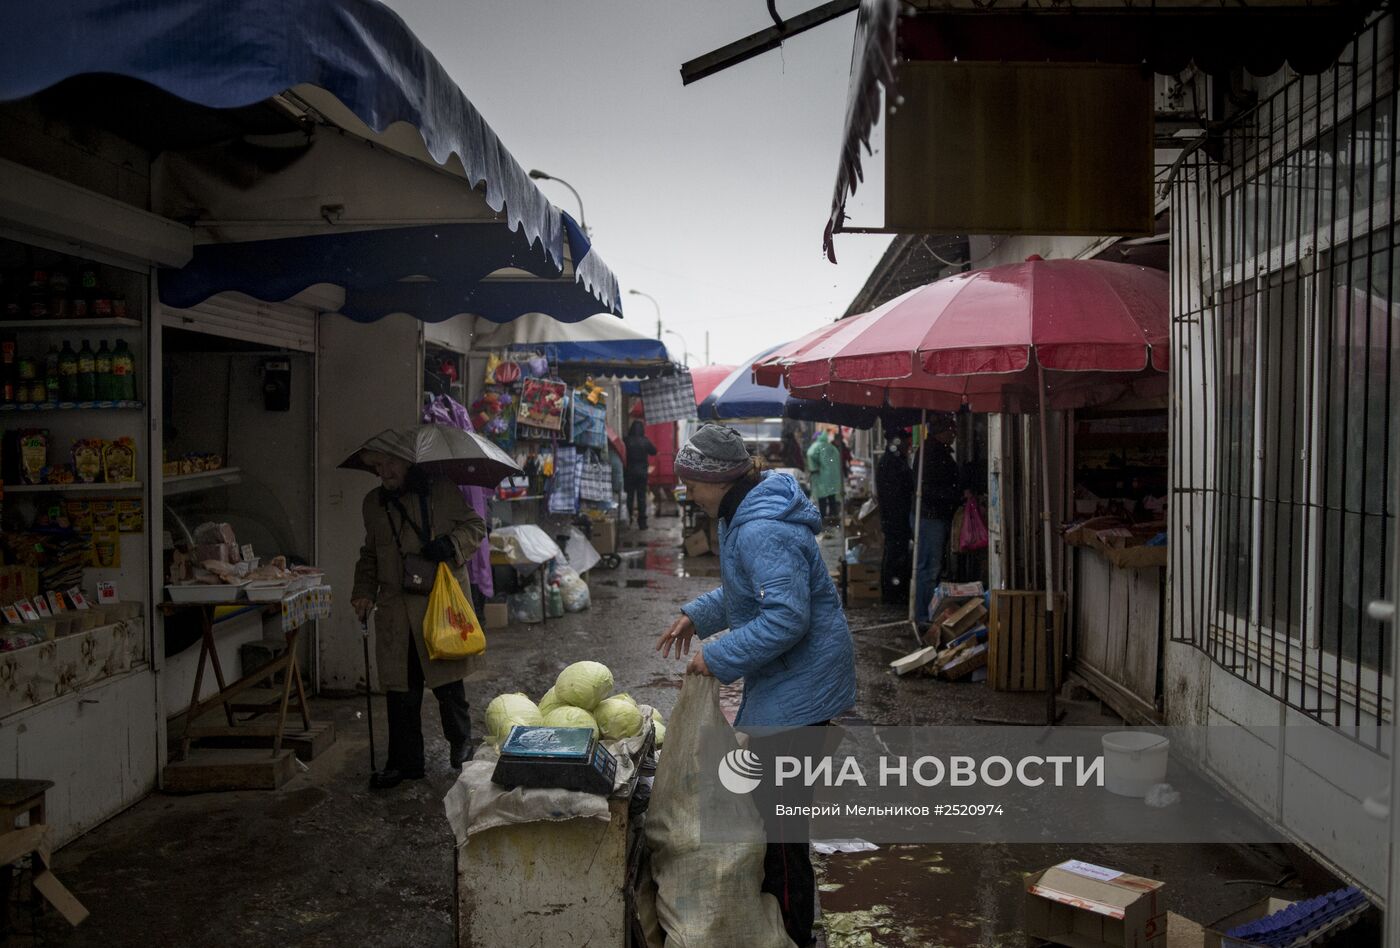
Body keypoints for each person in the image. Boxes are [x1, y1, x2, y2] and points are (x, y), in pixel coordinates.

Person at [655, 424, 856, 948]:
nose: (688, 493)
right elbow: (748, 591)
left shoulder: (760, 528)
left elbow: (786, 617)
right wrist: (698, 615)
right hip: (792, 681)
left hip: (803, 686)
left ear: (718, 480)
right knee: (776, 817)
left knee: (782, 830)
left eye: (691, 484)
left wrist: (717, 656)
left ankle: (793, 934)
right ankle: (783, 925)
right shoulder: (742, 514)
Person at [351, 452, 487, 790]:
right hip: (395, 610)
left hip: (438, 604)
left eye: (390, 464)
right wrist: (363, 592)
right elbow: (370, 554)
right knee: (401, 689)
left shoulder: (440, 490)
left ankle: (461, 745)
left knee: (448, 684)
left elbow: (475, 527)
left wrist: (451, 544)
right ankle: (405, 763)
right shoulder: (373, 504)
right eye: (378, 466)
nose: (383, 472)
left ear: (407, 463)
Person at [915, 417, 964, 624]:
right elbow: (928, 488)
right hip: (931, 517)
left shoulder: (935, 451)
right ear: (941, 431)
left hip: (933, 516)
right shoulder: (932, 453)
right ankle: (924, 615)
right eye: (951, 429)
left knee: (930, 568)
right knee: (929, 568)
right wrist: (955, 495)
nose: (954, 434)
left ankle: (927, 612)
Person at [875, 429, 915, 605]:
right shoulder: (893, 463)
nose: (908, 446)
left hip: (894, 516)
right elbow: (901, 489)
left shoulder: (892, 461)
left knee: (894, 554)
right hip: (896, 517)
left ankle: (892, 592)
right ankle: (894, 594)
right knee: (895, 555)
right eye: (906, 443)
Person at [623, 420, 657, 529]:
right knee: (641, 497)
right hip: (642, 473)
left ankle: (628, 519)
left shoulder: (626, 441)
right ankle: (642, 523)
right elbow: (654, 451)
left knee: (629, 497)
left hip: (629, 473)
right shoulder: (645, 441)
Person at [805, 430, 842, 521]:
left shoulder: (816, 446)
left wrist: (814, 467)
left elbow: (810, 454)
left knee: (822, 497)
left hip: (821, 476)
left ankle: (823, 516)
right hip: (833, 477)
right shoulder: (832, 447)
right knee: (831, 495)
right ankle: (834, 515)